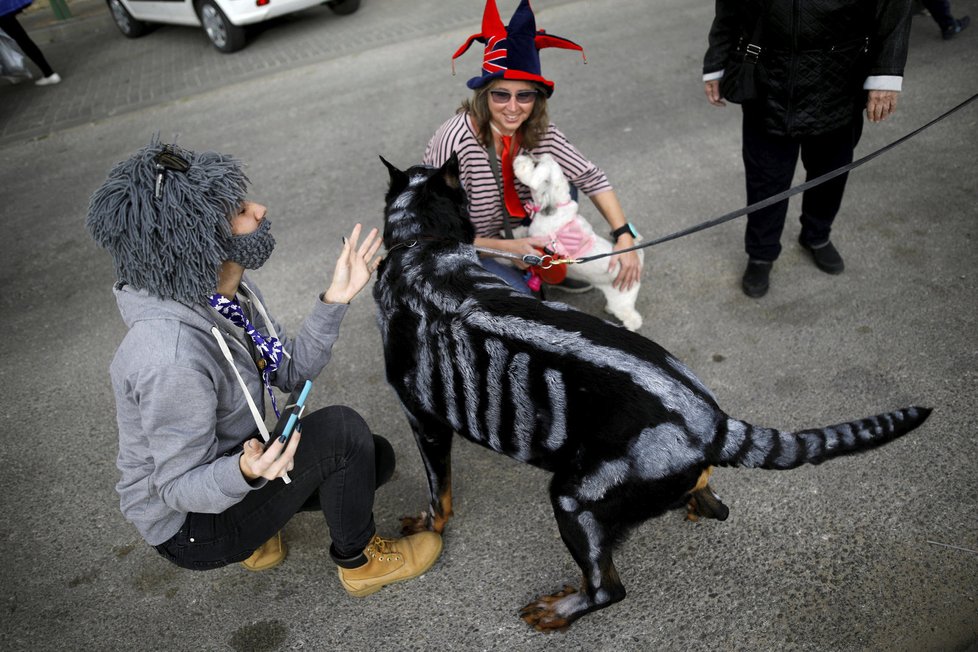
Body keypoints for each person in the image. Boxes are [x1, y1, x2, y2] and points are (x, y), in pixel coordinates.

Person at [86, 140, 442, 596]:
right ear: (200, 240)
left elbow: (289, 372)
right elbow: (175, 487)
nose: (259, 208)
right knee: (341, 432)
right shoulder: (170, 355)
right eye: (238, 209)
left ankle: (261, 529)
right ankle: (360, 563)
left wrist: (336, 298)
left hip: (234, 468)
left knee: (374, 458)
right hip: (190, 526)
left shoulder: (226, 295)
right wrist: (245, 473)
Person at [423, 0, 641, 296]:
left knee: (563, 181)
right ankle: (508, 274)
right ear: (483, 96)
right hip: (471, 242)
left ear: (537, 99)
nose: (513, 108)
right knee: (522, 302)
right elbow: (436, 233)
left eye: (524, 96)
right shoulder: (455, 141)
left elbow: (590, 177)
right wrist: (508, 248)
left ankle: (547, 267)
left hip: (521, 225)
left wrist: (623, 235)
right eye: (501, 95)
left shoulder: (539, 131)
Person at [703, 0, 911, 298]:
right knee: (766, 179)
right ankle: (761, 253)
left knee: (830, 172)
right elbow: (728, 6)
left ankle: (817, 235)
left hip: (839, 76)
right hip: (766, 76)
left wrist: (887, 73)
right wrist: (715, 61)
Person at [0, 0, 60, 85]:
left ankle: (13, 73)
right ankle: (49, 73)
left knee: (14, 42)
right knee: (23, 40)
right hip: (4, 7)